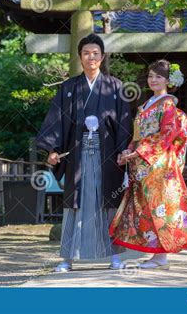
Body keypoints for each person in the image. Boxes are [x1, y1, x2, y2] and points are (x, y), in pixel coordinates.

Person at [36, 33, 132, 272]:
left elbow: (123, 123)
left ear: (102, 57)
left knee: (109, 203)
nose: (91, 57)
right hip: (77, 156)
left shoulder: (115, 86)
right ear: (80, 57)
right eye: (86, 53)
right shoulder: (69, 87)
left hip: (107, 155)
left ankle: (115, 256)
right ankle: (67, 258)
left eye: (95, 53)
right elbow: (56, 119)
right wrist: (53, 148)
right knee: (75, 204)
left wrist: (123, 150)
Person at [109, 59, 187, 269]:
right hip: (142, 164)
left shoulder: (168, 104)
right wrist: (128, 150)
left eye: (158, 76)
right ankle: (156, 256)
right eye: (151, 76)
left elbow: (166, 135)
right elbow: (137, 135)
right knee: (146, 208)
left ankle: (161, 257)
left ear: (168, 81)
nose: (153, 80)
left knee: (159, 207)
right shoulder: (145, 104)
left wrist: (137, 152)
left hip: (158, 164)